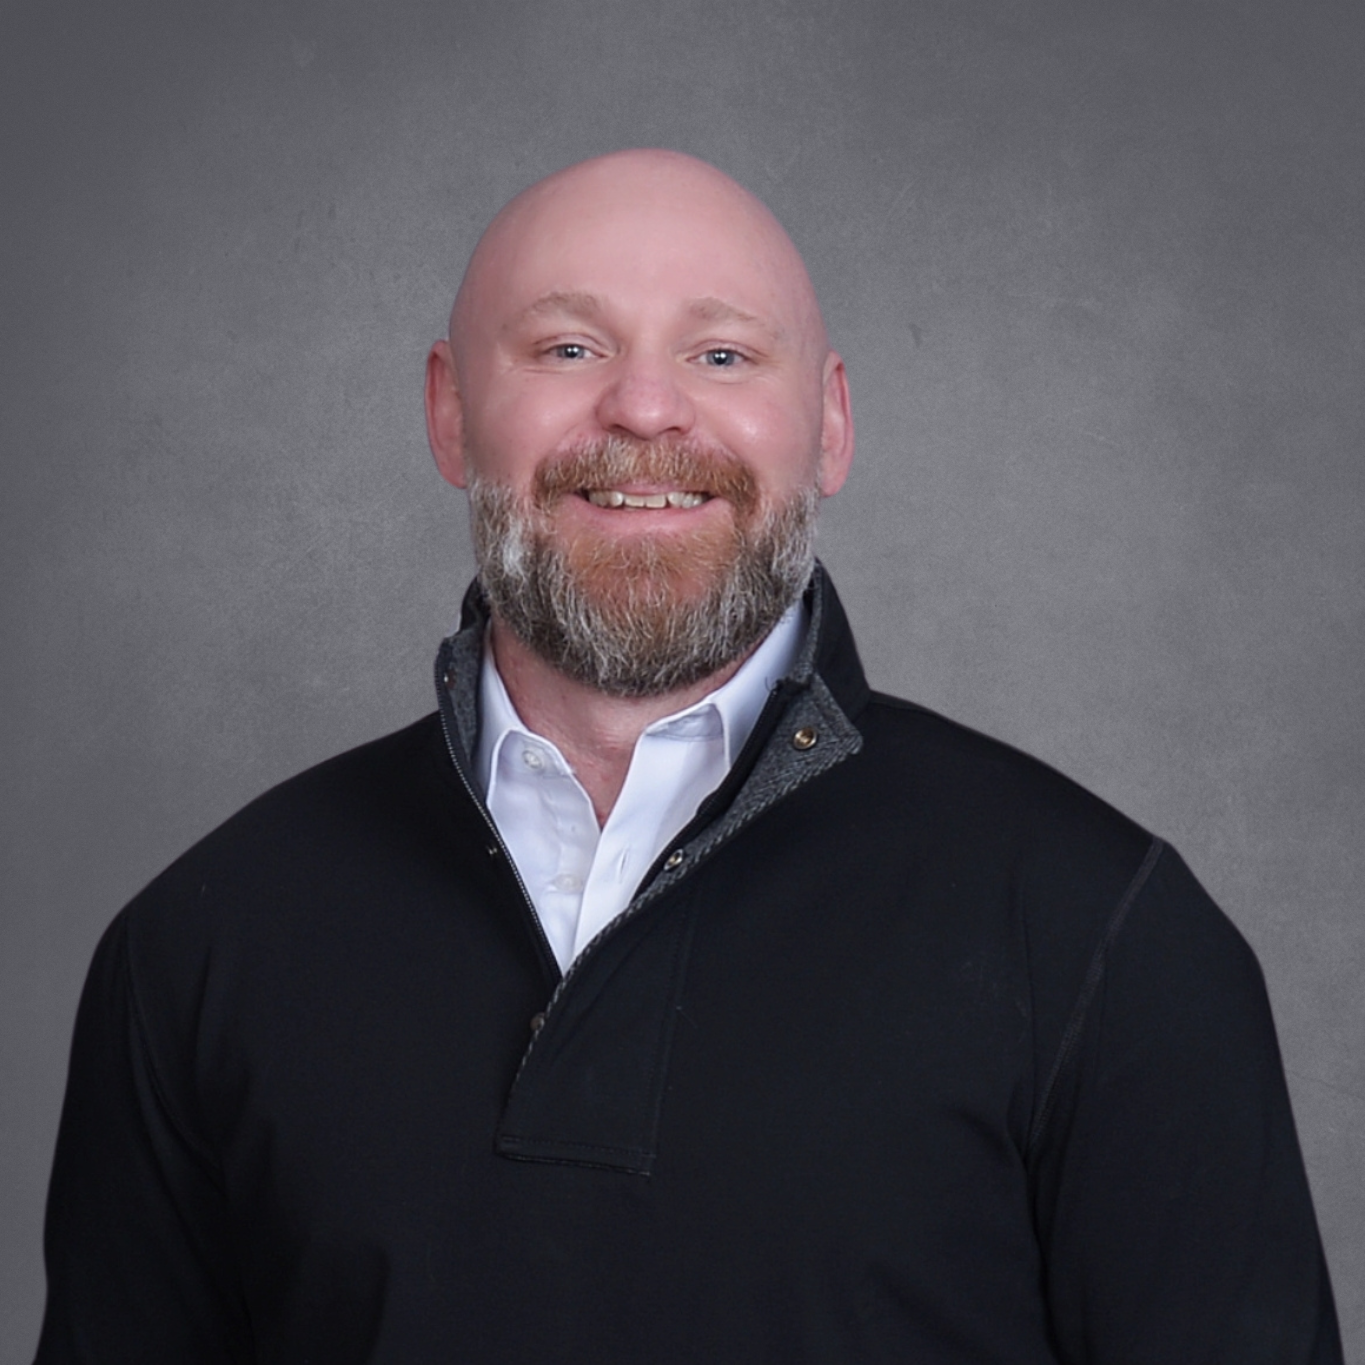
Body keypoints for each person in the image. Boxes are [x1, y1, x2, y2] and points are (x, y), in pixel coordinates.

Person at [36, 149, 1342, 1364]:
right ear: (450, 413)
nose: (647, 406)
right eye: (568, 346)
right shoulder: (200, 944)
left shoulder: (1104, 936)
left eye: (722, 353)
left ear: (828, 425)